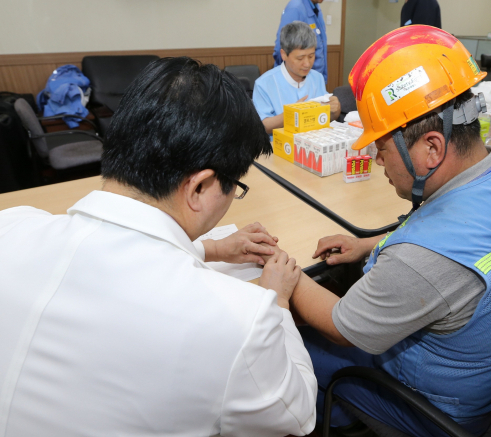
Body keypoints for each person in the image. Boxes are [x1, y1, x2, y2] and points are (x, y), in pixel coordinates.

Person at [0, 57, 317, 437]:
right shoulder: (239, 323)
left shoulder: (12, 224)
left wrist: (211, 249)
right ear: (200, 187)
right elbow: (297, 415)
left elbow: (121, 256)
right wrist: (278, 302)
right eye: (237, 186)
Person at [290, 26, 491, 436]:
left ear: (431, 148)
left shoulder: (420, 260)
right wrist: (369, 245)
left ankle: (340, 411)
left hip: (437, 409)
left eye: (381, 145)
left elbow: (344, 327)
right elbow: (455, 234)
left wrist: (285, 272)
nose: (378, 160)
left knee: (296, 346)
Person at [255, 21, 341, 135]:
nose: (307, 64)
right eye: (300, 58)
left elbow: (327, 116)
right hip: (278, 146)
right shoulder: (264, 84)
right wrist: (293, 114)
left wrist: (335, 110)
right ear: (284, 55)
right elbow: (262, 126)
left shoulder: (317, 78)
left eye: (311, 56)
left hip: (314, 142)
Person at [273, 0, 333, 83]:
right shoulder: (295, 9)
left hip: (314, 81)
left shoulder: (316, 8)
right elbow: (281, 51)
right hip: (299, 84)